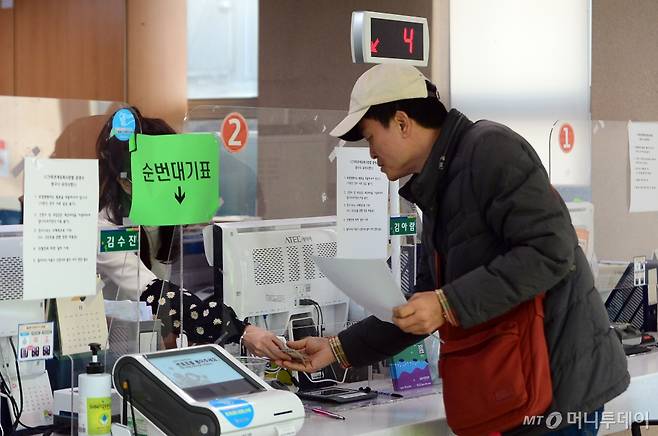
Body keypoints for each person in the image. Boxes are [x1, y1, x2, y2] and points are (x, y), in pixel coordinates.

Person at [278, 64, 629, 434]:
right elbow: (420, 308)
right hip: (515, 381)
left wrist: (447, 303)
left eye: (369, 138)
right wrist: (337, 349)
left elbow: (550, 250)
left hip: (557, 386)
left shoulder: (491, 150)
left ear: (401, 122)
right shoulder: (438, 189)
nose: (371, 154)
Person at [96, 106, 289, 360]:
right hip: (109, 351)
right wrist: (240, 330)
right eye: (159, 175)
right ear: (126, 183)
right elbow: (153, 292)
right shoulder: (105, 230)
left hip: (151, 344)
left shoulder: (162, 217)